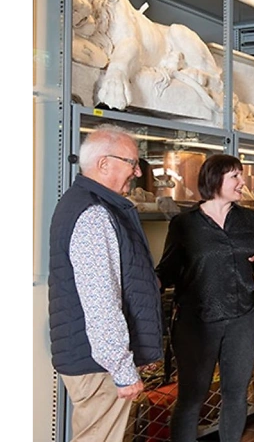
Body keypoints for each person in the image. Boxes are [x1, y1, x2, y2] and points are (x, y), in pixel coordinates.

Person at [48, 124, 163, 442]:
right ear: (103, 163)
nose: (137, 172)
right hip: (99, 365)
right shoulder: (94, 214)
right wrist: (122, 368)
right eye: (132, 163)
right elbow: (101, 301)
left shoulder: (86, 203)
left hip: (93, 359)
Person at [156, 154, 254, 442]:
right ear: (214, 180)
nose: (242, 182)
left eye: (241, 175)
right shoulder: (184, 223)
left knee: (236, 393)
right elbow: (168, 270)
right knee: (191, 396)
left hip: (242, 318)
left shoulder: (251, 220)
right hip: (197, 322)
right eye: (234, 176)